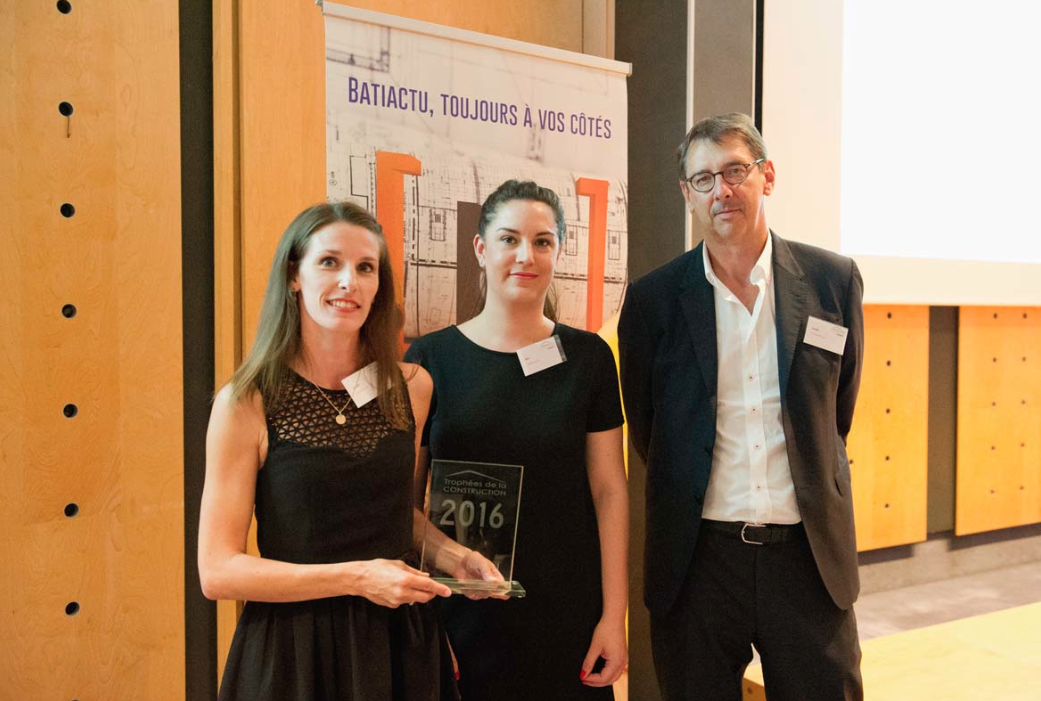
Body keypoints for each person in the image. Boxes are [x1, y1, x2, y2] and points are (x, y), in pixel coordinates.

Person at [198, 201, 493, 701]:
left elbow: (395, 513)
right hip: (295, 649)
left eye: (365, 268)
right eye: (329, 262)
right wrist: (358, 578)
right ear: (294, 275)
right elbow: (218, 570)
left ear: (380, 285)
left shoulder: (413, 386)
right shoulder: (246, 400)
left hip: (401, 643)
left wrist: (454, 555)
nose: (348, 283)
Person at [618, 113, 865, 701]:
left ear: (767, 177)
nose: (721, 190)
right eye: (703, 179)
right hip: (699, 561)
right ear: (687, 195)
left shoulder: (832, 280)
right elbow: (649, 430)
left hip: (807, 561)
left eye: (735, 170)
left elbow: (835, 412)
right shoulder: (652, 302)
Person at [405, 180, 630, 700]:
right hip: (459, 616)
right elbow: (403, 504)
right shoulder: (429, 361)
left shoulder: (588, 358)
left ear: (557, 252)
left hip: (567, 617)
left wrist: (612, 617)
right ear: (481, 249)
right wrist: (426, 620)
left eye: (542, 241)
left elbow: (609, 492)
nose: (525, 256)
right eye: (509, 239)